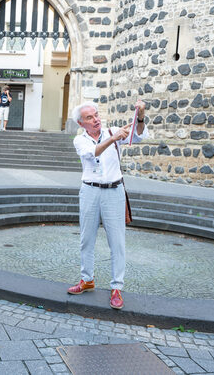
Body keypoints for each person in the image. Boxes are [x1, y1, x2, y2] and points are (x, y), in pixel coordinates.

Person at [67, 100, 148, 310]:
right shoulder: (79, 140)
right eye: (90, 118)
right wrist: (113, 138)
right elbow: (92, 152)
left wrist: (140, 115)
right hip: (90, 191)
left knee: (117, 242)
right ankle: (87, 279)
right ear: (81, 123)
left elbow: (137, 135)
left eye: (96, 115)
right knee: (86, 239)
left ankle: (117, 288)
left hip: (114, 191)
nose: (96, 120)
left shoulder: (113, 131)